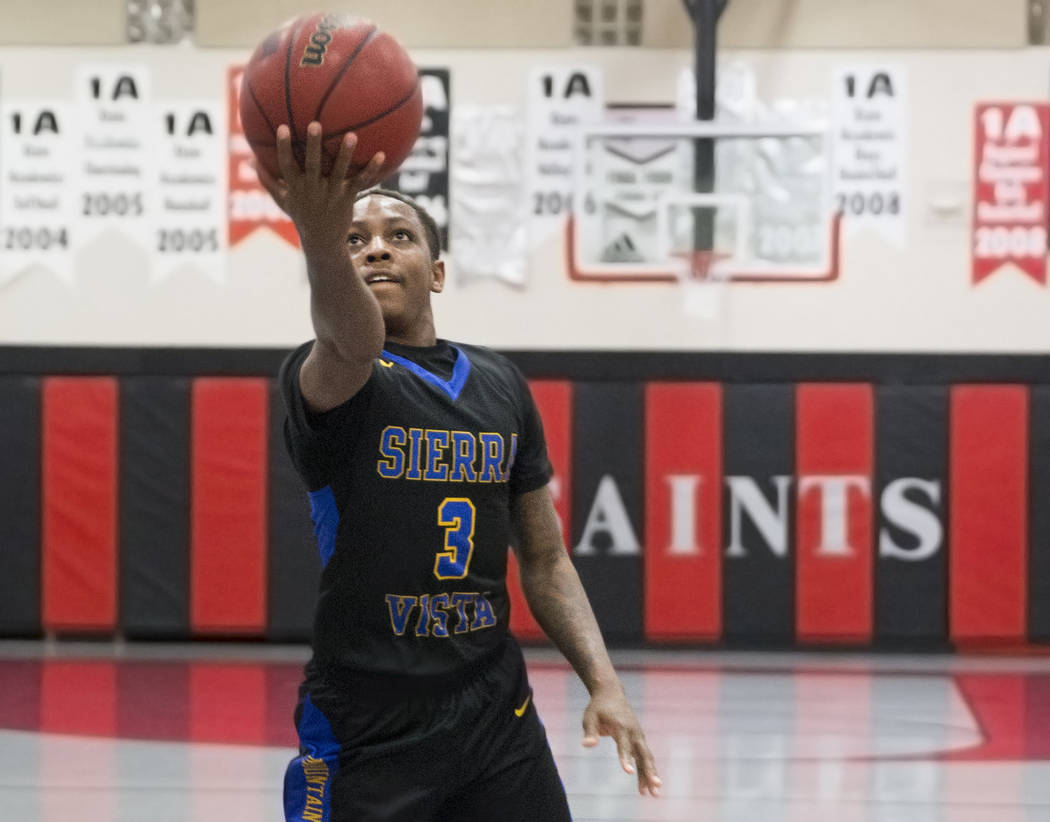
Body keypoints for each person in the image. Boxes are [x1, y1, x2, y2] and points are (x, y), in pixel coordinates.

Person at [256, 120, 661, 822]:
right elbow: (352, 338)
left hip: (493, 711)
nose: (376, 246)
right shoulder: (330, 374)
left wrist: (605, 683)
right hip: (367, 720)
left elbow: (544, 557)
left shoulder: (500, 383)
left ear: (437, 273)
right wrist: (318, 235)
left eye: (399, 236)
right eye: (355, 239)